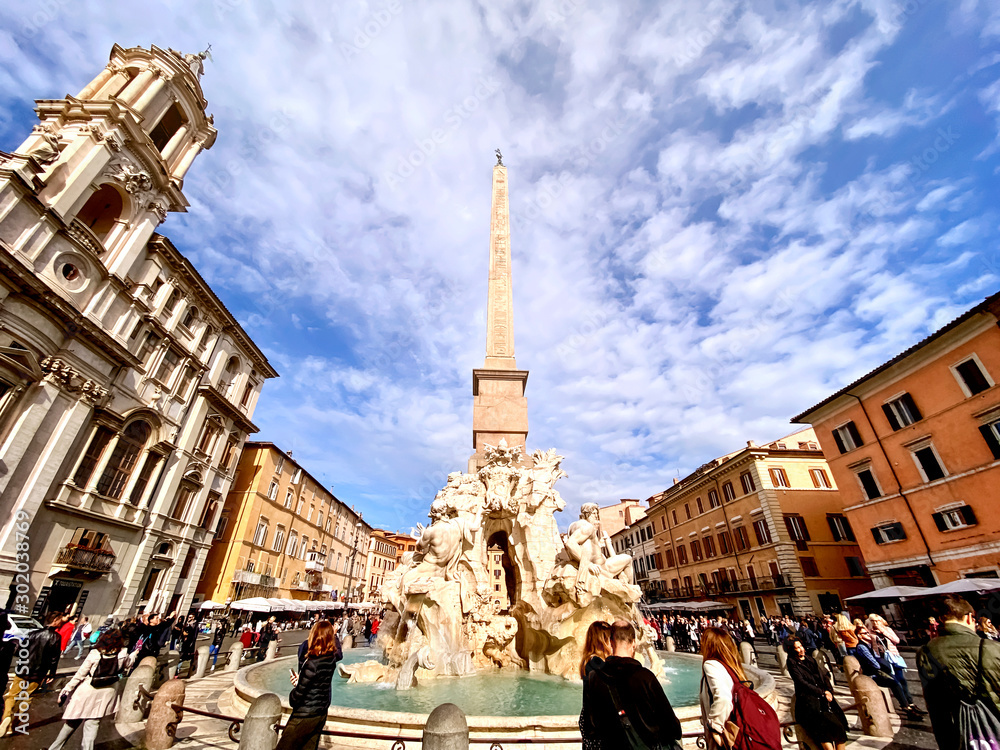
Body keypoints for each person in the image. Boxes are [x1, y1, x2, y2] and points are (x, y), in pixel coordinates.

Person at [583, 620, 681, 749]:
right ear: (634, 643)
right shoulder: (645, 677)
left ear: (611, 642)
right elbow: (672, 727)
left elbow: (588, 727)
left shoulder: (594, 678)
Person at [918, 595, 1000, 748]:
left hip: (958, 730)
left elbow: (934, 704)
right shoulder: (991, 647)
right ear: (969, 618)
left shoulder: (926, 651)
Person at [47, 629, 134, 750]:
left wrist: (66, 689)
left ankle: (55, 748)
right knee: (93, 724)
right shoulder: (123, 654)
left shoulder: (95, 653)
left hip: (88, 690)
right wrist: (134, 654)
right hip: (107, 693)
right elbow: (128, 664)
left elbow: (80, 674)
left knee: (72, 721)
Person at [699, 625, 780, 750]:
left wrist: (714, 727)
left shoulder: (711, 664)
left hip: (728, 735)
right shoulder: (731, 667)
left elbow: (723, 698)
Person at [277, 621, 342, 750]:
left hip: (304, 716)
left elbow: (296, 698)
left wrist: (296, 687)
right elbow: (317, 683)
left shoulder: (311, 664)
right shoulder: (331, 659)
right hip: (320, 714)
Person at [0, 612, 63, 735]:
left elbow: (19, 651)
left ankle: (6, 717)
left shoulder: (32, 633)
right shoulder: (56, 637)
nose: (61, 622)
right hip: (39, 672)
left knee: (12, 695)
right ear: (55, 620)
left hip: (23, 669)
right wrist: (52, 673)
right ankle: (13, 725)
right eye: (60, 620)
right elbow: (55, 658)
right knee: (27, 697)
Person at [785, 635, 847, 750]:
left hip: (825, 699)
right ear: (791, 650)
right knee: (824, 735)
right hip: (810, 702)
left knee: (840, 732)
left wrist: (829, 690)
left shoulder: (810, 659)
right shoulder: (792, 663)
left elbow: (823, 676)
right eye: (797, 648)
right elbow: (801, 682)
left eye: (801, 646)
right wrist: (822, 693)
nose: (801, 649)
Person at [853, 624, 923, 718]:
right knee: (894, 682)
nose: (868, 635)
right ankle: (906, 707)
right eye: (864, 633)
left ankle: (908, 705)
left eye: (867, 632)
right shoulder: (861, 647)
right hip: (871, 675)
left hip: (875, 671)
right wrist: (883, 668)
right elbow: (873, 662)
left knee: (897, 681)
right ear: (859, 636)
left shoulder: (868, 644)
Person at [578, 621, 612, 750]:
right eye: (610, 639)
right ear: (602, 641)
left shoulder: (589, 660)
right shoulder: (596, 663)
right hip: (597, 723)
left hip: (591, 720)